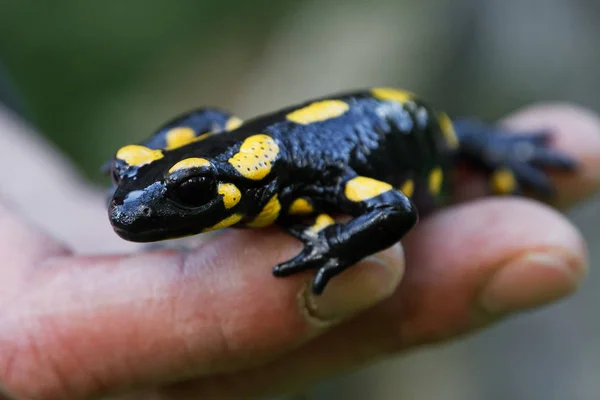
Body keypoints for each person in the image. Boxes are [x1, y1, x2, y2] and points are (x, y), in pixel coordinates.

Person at [0, 101, 597, 399]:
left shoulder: (316, 177)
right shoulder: (258, 170)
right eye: (128, 174)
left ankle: (499, 151)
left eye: (187, 193)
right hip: (311, 140)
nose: (131, 207)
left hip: (415, 127)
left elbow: (393, 208)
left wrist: (336, 243)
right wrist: (158, 154)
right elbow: (208, 118)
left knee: (456, 137)